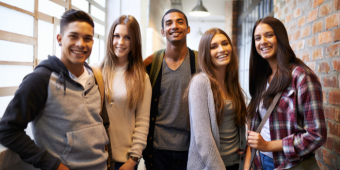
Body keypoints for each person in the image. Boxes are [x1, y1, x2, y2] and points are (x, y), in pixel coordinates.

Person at [0, 9, 110, 170]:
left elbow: (103, 125)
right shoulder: (40, 79)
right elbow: (7, 130)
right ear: (59, 39)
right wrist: (53, 165)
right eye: (73, 36)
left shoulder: (96, 77)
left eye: (87, 38)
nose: (81, 44)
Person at [244, 16, 327, 170]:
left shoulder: (301, 77)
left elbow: (317, 134)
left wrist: (268, 145)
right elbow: (257, 126)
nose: (262, 41)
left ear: (280, 38)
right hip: (260, 162)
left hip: (289, 164)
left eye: (269, 35)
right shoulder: (262, 77)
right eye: (257, 38)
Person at [142, 9, 198, 170]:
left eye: (180, 22)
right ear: (162, 31)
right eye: (169, 23)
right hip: (158, 150)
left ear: (188, 29)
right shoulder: (151, 64)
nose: (174, 26)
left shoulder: (200, 63)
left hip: (191, 149)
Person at [186, 28, 247, 170]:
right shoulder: (200, 82)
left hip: (236, 163)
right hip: (211, 166)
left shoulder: (231, 82)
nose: (221, 49)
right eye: (214, 47)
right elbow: (202, 138)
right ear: (205, 53)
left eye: (225, 43)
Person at [100, 15, 152, 170]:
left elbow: (142, 123)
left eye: (127, 37)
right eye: (117, 36)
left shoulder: (141, 78)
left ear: (134, 42)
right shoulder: (97, 72)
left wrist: (133, 160)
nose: (120, 42)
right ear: (111, 38)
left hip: (124, 162)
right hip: (96, 157)